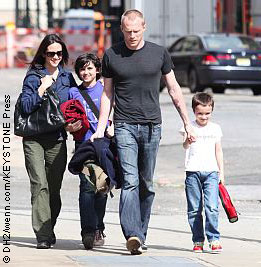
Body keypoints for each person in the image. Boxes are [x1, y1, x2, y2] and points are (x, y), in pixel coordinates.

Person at [90, 9, 196, 255]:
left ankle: (142, 233)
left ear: (144, 28)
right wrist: (101, 126)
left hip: (152, 126)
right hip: (125, 124)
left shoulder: (159, 53)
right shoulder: (112, 55)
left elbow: (173, 88)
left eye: (136, 31)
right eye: (127, 32)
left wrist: (187, 122)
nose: (132, 36)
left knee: (146, 183)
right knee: (130, 181)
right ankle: (133, 234)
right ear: (122, 29)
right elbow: (107, 93)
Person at [20, 34, 76, 249]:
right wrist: (42, 88)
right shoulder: (34, 76)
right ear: (44, 53)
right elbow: (25, 106)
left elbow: (73, 108)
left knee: (53, 188)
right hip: (33, 138)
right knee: (39, 185)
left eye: (59, 53)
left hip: (57, 138)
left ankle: (48, 226)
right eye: (51, 53)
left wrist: (73, 124)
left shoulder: (67, 78)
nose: (55, 57)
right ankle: (42, 235)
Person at [68, 53, 114, 250]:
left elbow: (118, 111)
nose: (85, 72)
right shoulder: (73, 92)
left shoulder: (107, 89)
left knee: (102, 188)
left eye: (89, 68)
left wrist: (114, 127)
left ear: (97, 69)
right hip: (84, 147)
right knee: (87, 187)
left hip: (104, 146)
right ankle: (88, 231)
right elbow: (67, 120)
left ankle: (98, 227)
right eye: (82, 69)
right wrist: (70, 127)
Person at [179, 92, 224, 253]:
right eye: (200, 114)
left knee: (212, 206)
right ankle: (198, 240)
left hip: (211, 171)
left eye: (207, 114)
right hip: (192, 171)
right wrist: (187, 140)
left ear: (211, 111)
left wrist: (221, 173)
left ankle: (214, 238)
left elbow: (218, 151)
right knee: (194, 209)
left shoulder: (215, 128)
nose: (204, 117)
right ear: (194, 111)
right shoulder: (189, 126)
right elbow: (184, 147)